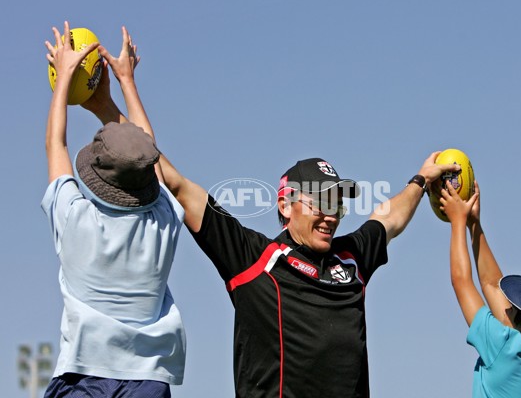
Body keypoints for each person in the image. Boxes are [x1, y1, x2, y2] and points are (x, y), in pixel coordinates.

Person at [82, 36, 460, 398]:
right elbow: (174, 182)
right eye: (319, 203)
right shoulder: (252, 258)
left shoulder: (352, 259)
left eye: (337, 205)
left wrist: (420, 180)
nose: (330, 216)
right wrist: (114, 97)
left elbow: (388, 217)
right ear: (285, 205)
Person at [42, 22, 186, 397]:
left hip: (83, 375)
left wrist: (64, 81)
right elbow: (146, 153)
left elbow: (54, 145)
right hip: (148, 381)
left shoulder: (75, 220)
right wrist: (126, 81)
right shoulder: (164, 222)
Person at [440, 180, 521, 398]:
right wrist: (473, 223)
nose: (507, 306)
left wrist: (457, 221)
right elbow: (492, 283)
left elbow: (461, 281)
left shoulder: (501, 346)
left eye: (513, 307)